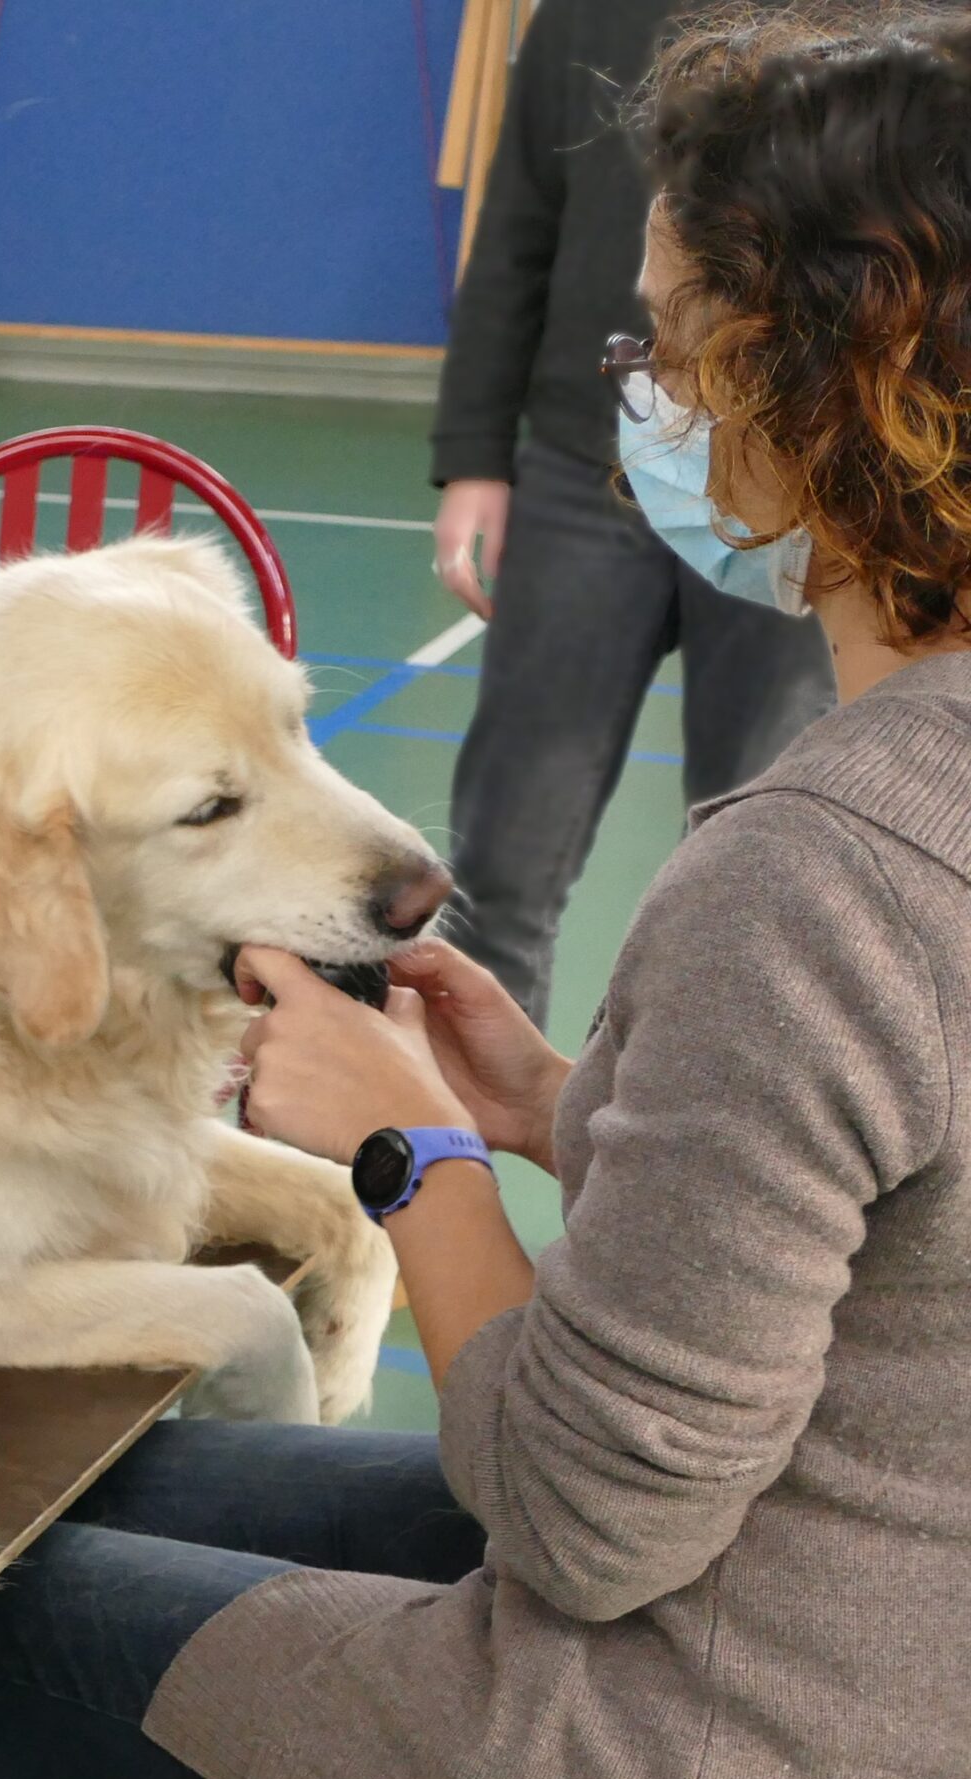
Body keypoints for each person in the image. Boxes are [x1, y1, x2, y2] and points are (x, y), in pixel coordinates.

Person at [0, 8, 971, 1779]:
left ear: (799, 383)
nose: (640, 396)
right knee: (100, 1480)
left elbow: (587, 1526)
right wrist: (550, 1109)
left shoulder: (819, 878)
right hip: (882, 1606)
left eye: (660, 346)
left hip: (711, 1723)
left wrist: (415, 1155)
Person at [432, 0, 836, 1028]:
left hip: (795, 488)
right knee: (502, 870)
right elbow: (517, 229)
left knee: (755, 878)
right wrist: (477, 456)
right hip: (583, 467)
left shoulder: (891, 28)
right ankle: (455, 1160)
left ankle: (718, 1165)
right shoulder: (581, 16)